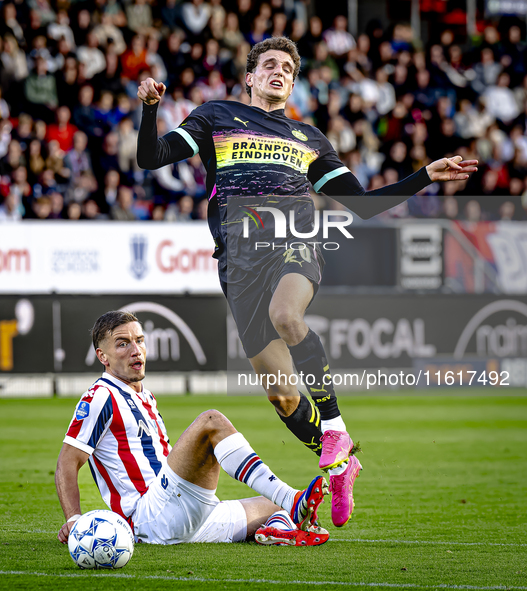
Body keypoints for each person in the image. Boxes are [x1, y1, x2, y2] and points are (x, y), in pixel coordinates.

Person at [136, 36, 478, 528]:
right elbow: (152, 157)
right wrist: (150, 110)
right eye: (268, 65)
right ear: (250, 77)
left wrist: (423, 174)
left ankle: (336, 429)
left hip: (294, 242)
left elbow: (363, 204)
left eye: (287, 68)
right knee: (283, 396)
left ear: (293, 83)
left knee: (286, 315)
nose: (278, 71)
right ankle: (342, 464)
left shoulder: (309, 139)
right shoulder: (215, 116)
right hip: (239, 263)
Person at [56, 311, 330, 546]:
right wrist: (74, 520)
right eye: (122, 344)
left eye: (139, 340)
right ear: (102, 356)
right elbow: (68, 462)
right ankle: (292, 498)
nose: (135, 350)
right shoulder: (101, 395)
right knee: (211, 422)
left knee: (276, 505)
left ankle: (279, 530)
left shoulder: (145, 397)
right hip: (149, 516)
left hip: (186, 516)